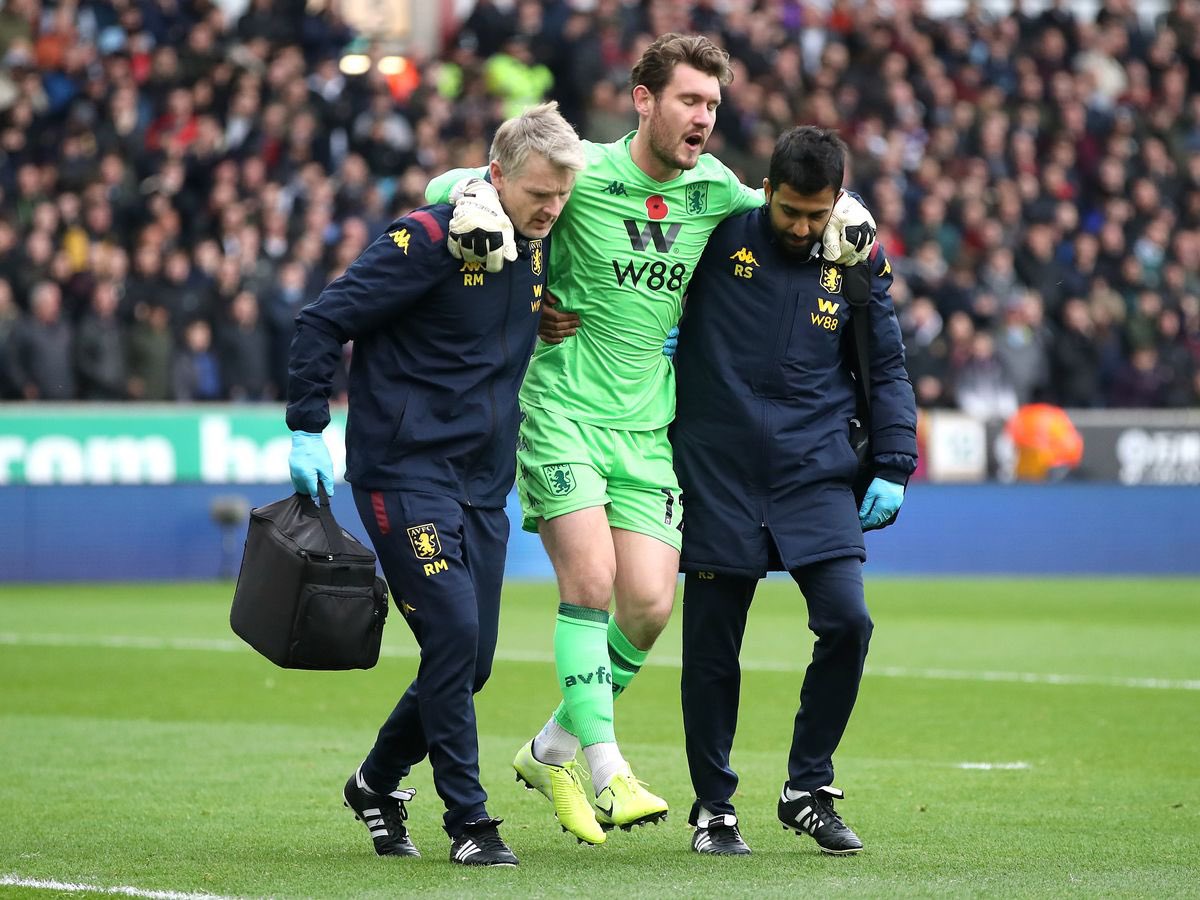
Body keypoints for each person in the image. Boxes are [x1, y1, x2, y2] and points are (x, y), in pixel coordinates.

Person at [427, 34, 878, 846]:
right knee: (592, 582)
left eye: (712, 103)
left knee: (647, 606)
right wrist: (469, 203)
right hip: (561, 407)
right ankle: (605, 767)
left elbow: (789, 200)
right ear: (644, 99)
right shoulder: (585, 172)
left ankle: (549, 748)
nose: (703, 116)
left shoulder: (716, 191)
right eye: (688, 101)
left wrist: (850, 211)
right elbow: (459, 181)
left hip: (646, 426)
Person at [285, 102, 585, 867]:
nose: (551, 209)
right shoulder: (426, 239)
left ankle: (376, 782)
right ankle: (470, 825)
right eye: (538, 194)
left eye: (561, 195)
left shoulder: (533, 244)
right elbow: (323, 320)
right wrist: (306, 423)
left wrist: (539, 318)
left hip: (483, 482)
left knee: (471, 659)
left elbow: (485, 323)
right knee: (452, 634)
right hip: (403, 470)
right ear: (496, 177)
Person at [671, 126, 917, 856]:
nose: (804, 228)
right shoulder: (717, 235)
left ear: (838, 199)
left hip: (815, 469)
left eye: (817, 214)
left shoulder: (854, 260)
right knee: (714, 646)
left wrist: (894, 463)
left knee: (848, 623)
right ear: (767, 191)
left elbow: (888, 366)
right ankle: (714, 807)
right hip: (717, 466)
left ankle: (807, 788)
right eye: (791, 213)